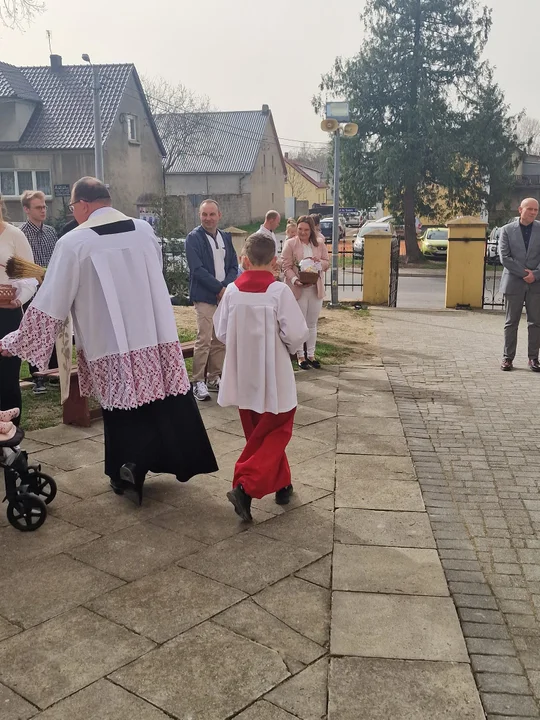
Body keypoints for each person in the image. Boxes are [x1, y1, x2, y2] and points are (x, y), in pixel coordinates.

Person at [0, 177, 218, 503]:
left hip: (110, 341)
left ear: (84, 205)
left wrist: (13, 341)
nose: (73, 213)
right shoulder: (144, 231)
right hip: (153, 333)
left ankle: (128, 468)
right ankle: (153, 461)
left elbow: (50, 305)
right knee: (158, 398)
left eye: (74, 207)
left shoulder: (74, 242)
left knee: (121, 408)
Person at [214, 232, 308, 521]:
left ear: (244, 260)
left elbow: (222, 332)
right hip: (274, 375)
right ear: (274, 263)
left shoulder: (231, 291)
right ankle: (245, 485)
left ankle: (282, 484)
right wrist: (288, 347)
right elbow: (295, 334)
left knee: (259, 435)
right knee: (276, 433)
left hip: (244, 375)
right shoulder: (278, 292)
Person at [185, 199, 238, 402]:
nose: (208, 218)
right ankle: (198, 381)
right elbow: (197, 269)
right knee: (204, 339)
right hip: (205, 296)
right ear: (200, 216)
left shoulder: (225, 236)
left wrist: (226, 286)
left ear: (219, 215)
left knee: (220, 339)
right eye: (204, 214)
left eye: (212, 214)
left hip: (223, 296)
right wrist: (219, 288)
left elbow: (234, 265)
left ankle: (214, 376)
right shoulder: (193, 238)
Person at [0, 196, 37, 422]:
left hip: (8, 315)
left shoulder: (15, 236)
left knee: (7, 380)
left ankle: (12, 445)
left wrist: (19, 299)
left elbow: (31, 277)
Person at [20, 190, 59, 394]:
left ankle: (53, 373)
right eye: (38, 207)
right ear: (27, 209)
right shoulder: (21, 234)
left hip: (51, 288)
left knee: (52, 331)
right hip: (31, 291)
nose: (43, 210)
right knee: (34, 333)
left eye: (44, 206)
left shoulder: (51, 232)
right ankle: (38, 377)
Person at [281, 215, 329, 369]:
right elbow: (286, 266)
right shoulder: (290, 244)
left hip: (315, 288)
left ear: (312, 230)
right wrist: (295, 280)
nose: (302, 232)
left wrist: (318, 262)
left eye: (306, 230)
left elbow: (327, 262)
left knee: (312, 323)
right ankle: (300, 356)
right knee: (300, 323)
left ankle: (311, 355)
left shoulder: (319, 243)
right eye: (300, 229)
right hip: (299, 289)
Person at [499, 198, 540, 372]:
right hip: (513, 282)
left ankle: (533, 359)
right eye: (529, 209)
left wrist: (535, 274)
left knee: (535, 322)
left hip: (536, 283)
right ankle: (508, 358)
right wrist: (525, 274)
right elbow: (504, 257)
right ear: (520, 210)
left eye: (536, 210)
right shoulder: (507, 230)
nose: (533, 212)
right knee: (511, 322)